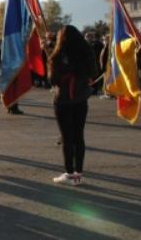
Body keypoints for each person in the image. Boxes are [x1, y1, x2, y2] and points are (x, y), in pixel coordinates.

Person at [49, 25, 97, 186]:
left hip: (63, 100)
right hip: (81, 98)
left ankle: (69, 172)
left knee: (67, 137)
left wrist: (49, 55)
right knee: (79, 136)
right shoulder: (87, 52)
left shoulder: (58, 55)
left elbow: (52, 79)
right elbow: (93, 73)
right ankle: (78, 174)